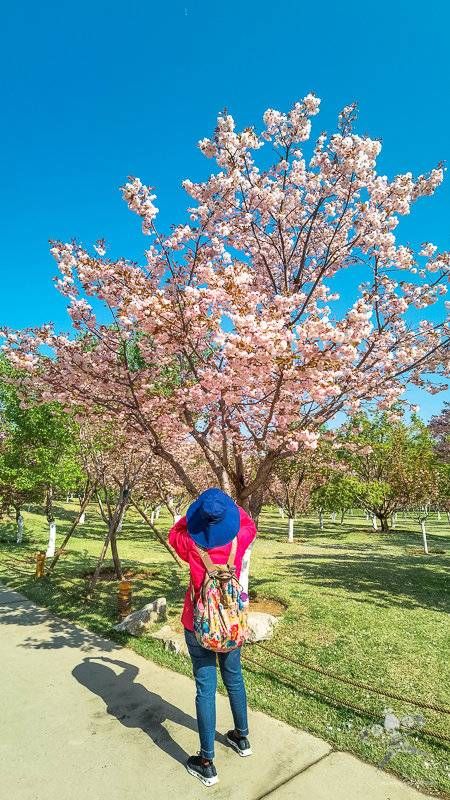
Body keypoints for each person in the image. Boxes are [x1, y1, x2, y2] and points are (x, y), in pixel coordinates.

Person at [168, 487, 257, 787]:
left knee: (205, 689)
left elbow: (174, 531)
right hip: (231, 624)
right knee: (234, 678)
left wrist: (190, 517)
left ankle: (207, 761)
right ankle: (242, 738)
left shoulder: (189, 541)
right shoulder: (239, 539)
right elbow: (248, 523)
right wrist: (230, 508)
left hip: (199, 625)